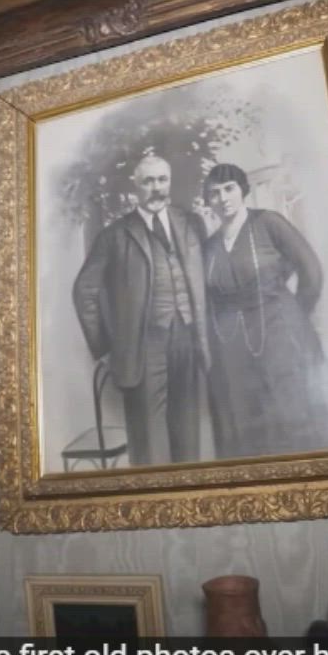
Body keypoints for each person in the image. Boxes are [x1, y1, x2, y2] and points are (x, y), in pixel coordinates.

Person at [72, 154, 210, 467]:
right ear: (136, 186)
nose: (156, 188)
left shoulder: (191, 224)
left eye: (162, 180)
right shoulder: (114, 235)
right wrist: (104, 348)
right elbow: (84, 290)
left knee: (188, 431)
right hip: (143, 346)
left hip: (187, 338)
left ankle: (190, 490)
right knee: (149, 440)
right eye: (148, 181)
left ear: (169, 183)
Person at [200, 163, 328, 459]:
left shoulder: (268, 223)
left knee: (288, 404)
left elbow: (311, 271)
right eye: (214, 193)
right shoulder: (210, 246)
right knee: (246, 415)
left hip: (281, 333)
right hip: (233, 345)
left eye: (229, 189)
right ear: (208, 201)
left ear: (242, 189)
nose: (223, 198)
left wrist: (294, 316)